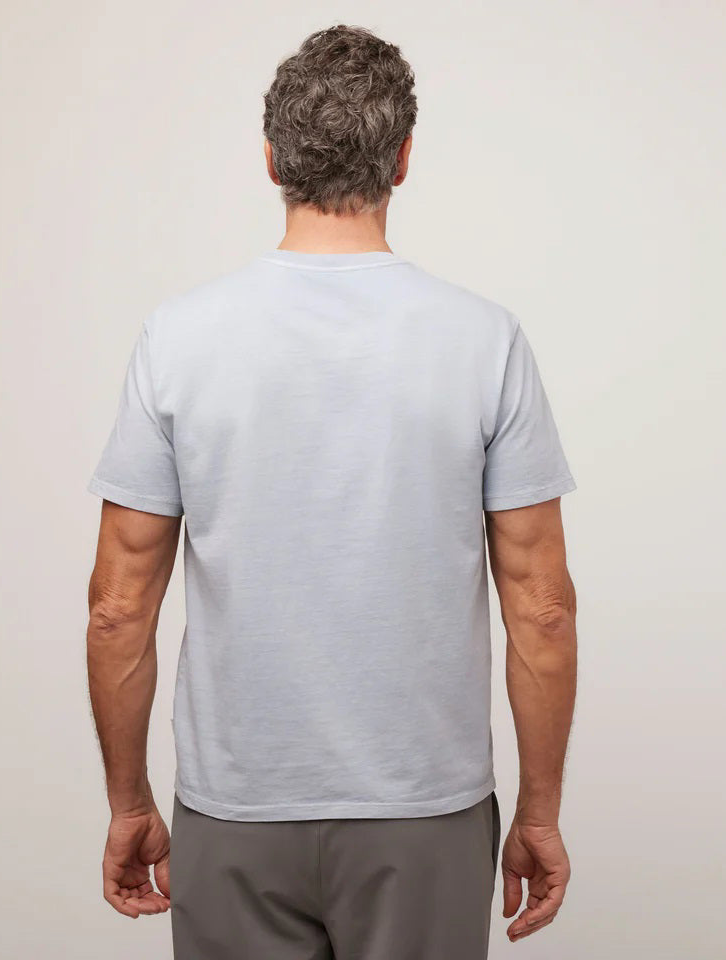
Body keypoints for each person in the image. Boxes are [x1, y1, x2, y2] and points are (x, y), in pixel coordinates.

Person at [85, 24, 578, 959]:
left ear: (271, 157)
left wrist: (128, 802)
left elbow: (118, 609)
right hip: (422, 808)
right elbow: (542, 608)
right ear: (402, 158)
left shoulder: (177, 340)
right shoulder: (485, 340)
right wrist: (540, 813)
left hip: (236, 808)